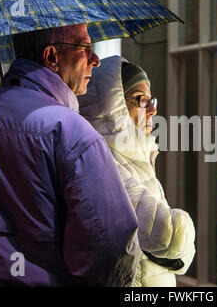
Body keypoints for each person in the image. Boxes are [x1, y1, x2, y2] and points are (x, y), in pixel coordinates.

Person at [0, 24, 141, 286]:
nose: (95, 60)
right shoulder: (71, 131)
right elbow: (111, 243)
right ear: (51, 57)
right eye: (86, 48)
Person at [78, 56, 196, 287]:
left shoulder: (137, 157)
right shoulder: (103, 160)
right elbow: (169, 234)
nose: (152, 109)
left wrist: (175, 250)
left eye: (151, 100)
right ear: (113, 108)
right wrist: (182, 235)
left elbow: (182, 256)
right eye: (140, 100)